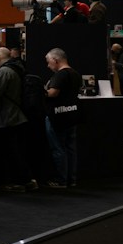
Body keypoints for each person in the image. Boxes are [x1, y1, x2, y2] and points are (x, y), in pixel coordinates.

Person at [0, 46, 33, 192]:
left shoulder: (4, 71)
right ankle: (24, 179)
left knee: (8, 152)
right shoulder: (18, 69)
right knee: (17, 151)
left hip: (6, 117)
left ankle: (12, 182)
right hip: (18, 116)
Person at [43, 48, 81, 187]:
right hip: (72, 114)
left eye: (48, 62)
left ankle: (61, 179)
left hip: (57, 115)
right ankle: (72, 179)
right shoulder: (75, 74)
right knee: (71, 149)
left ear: (55, 60)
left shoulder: (60, 75)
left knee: (58, 148)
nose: (48, 65)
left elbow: (52, 93)